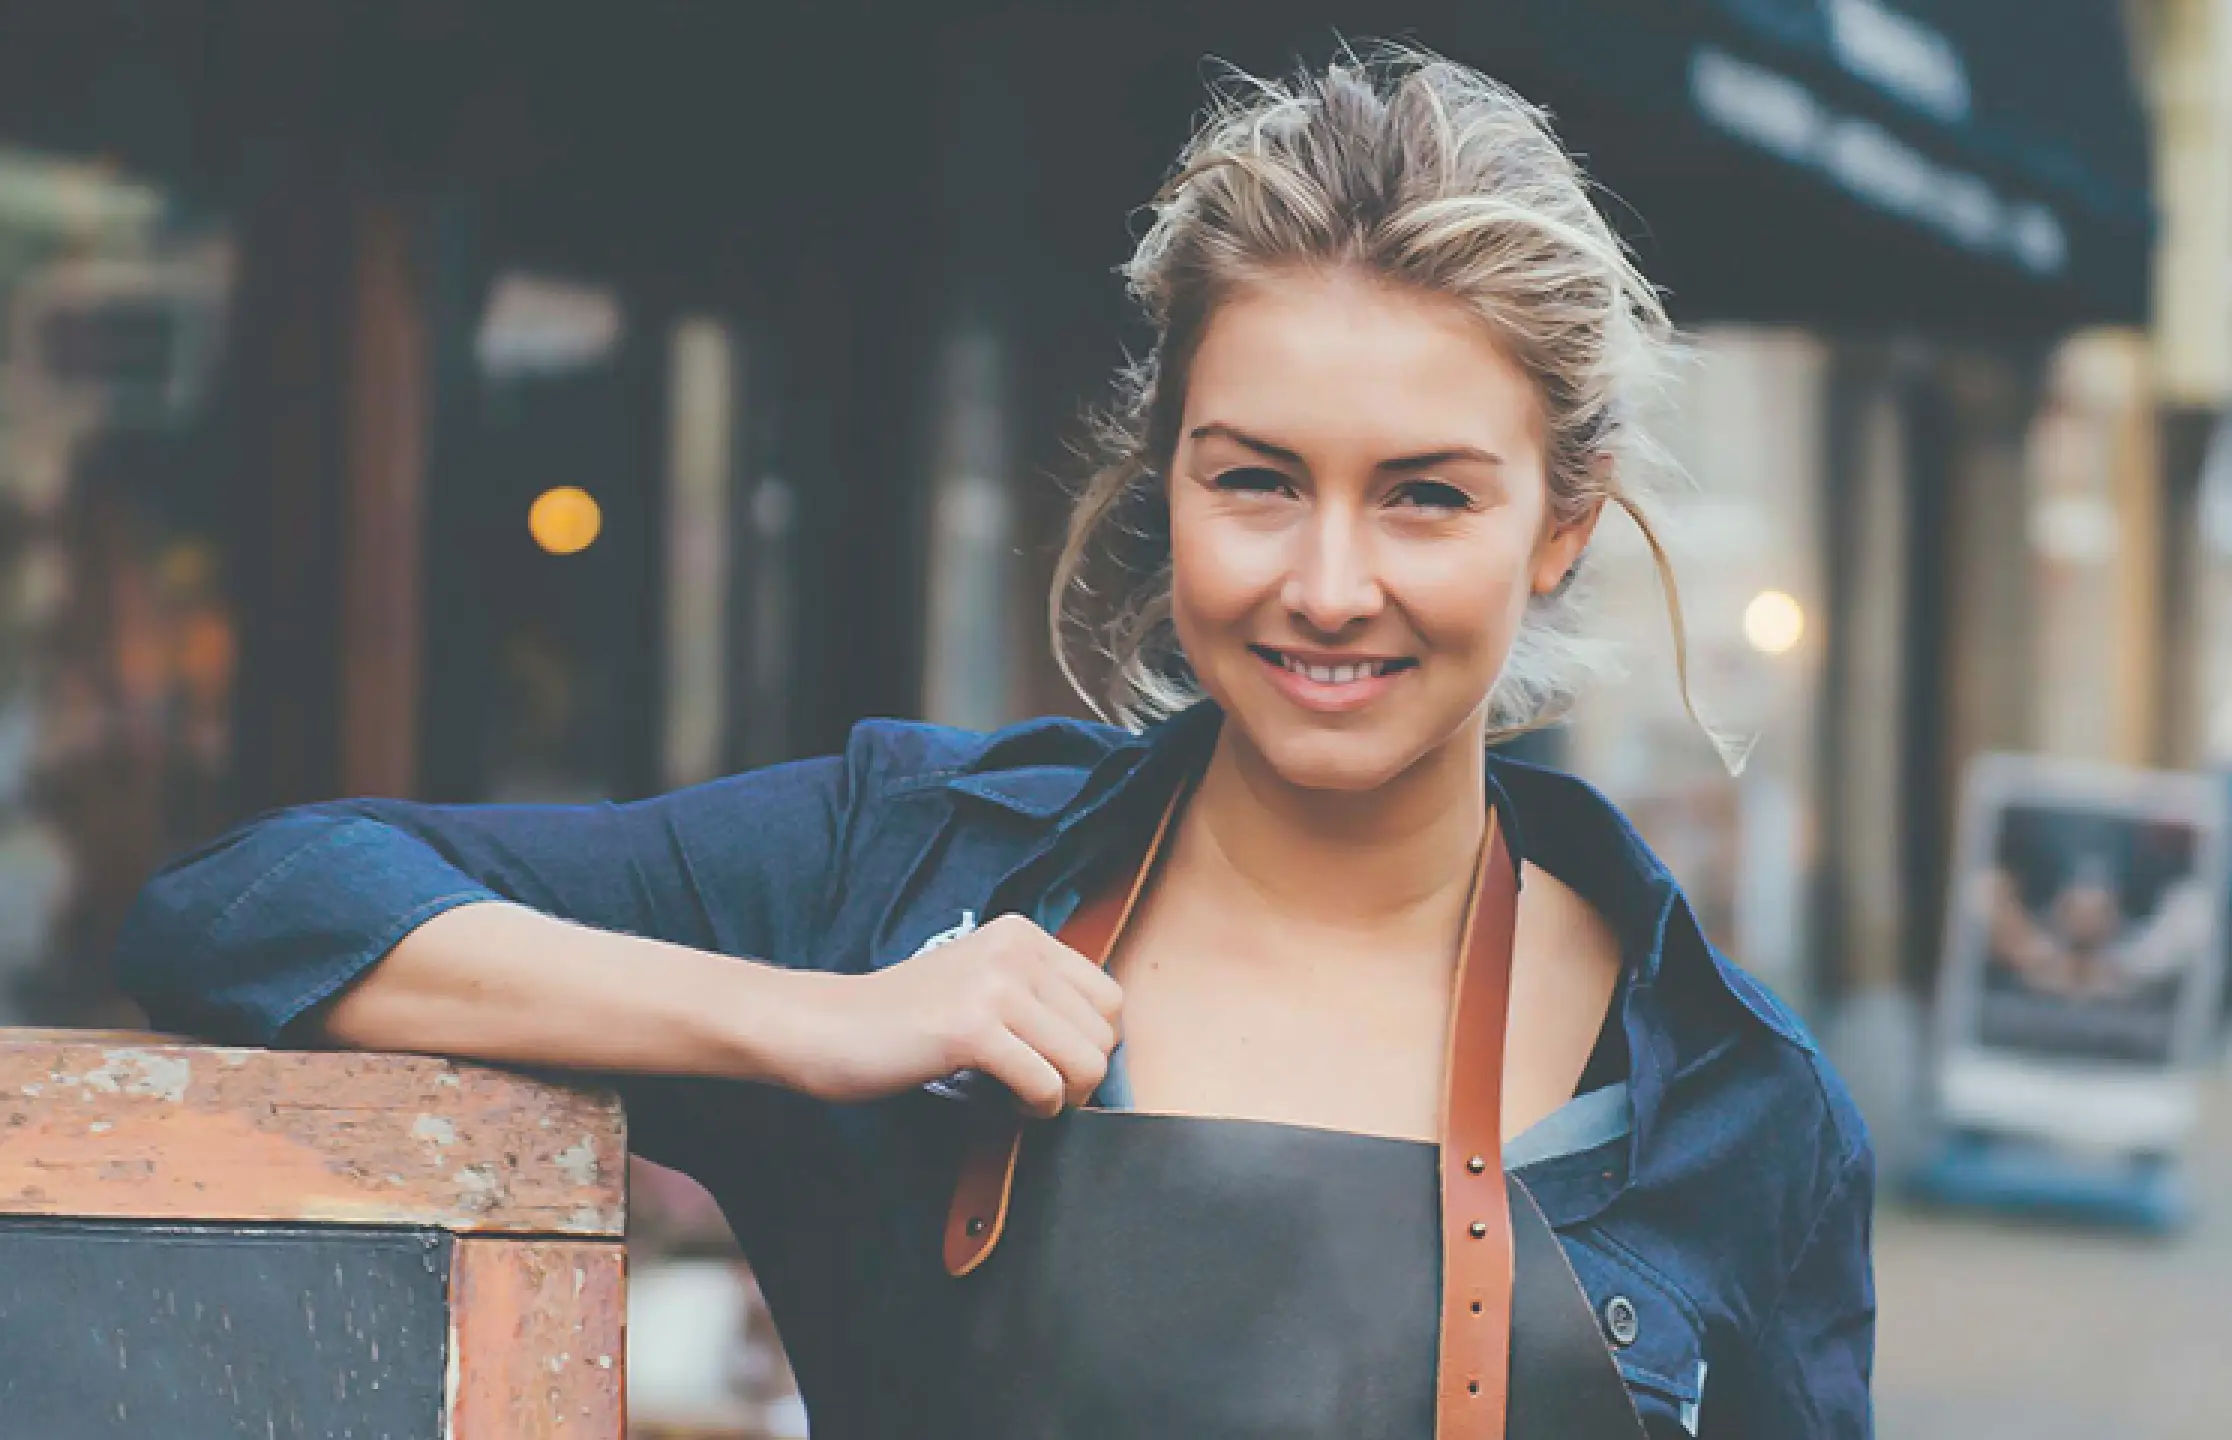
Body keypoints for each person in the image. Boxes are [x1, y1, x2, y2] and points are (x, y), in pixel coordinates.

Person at [116, 47, 1872, 1439]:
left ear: (1559, 525)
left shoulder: (1735, 1096)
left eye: (1426, 498)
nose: (1330, 585)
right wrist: (823, 1022)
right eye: (1256, 479)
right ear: (1165, 480)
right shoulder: (903, 872)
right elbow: (244, 907)